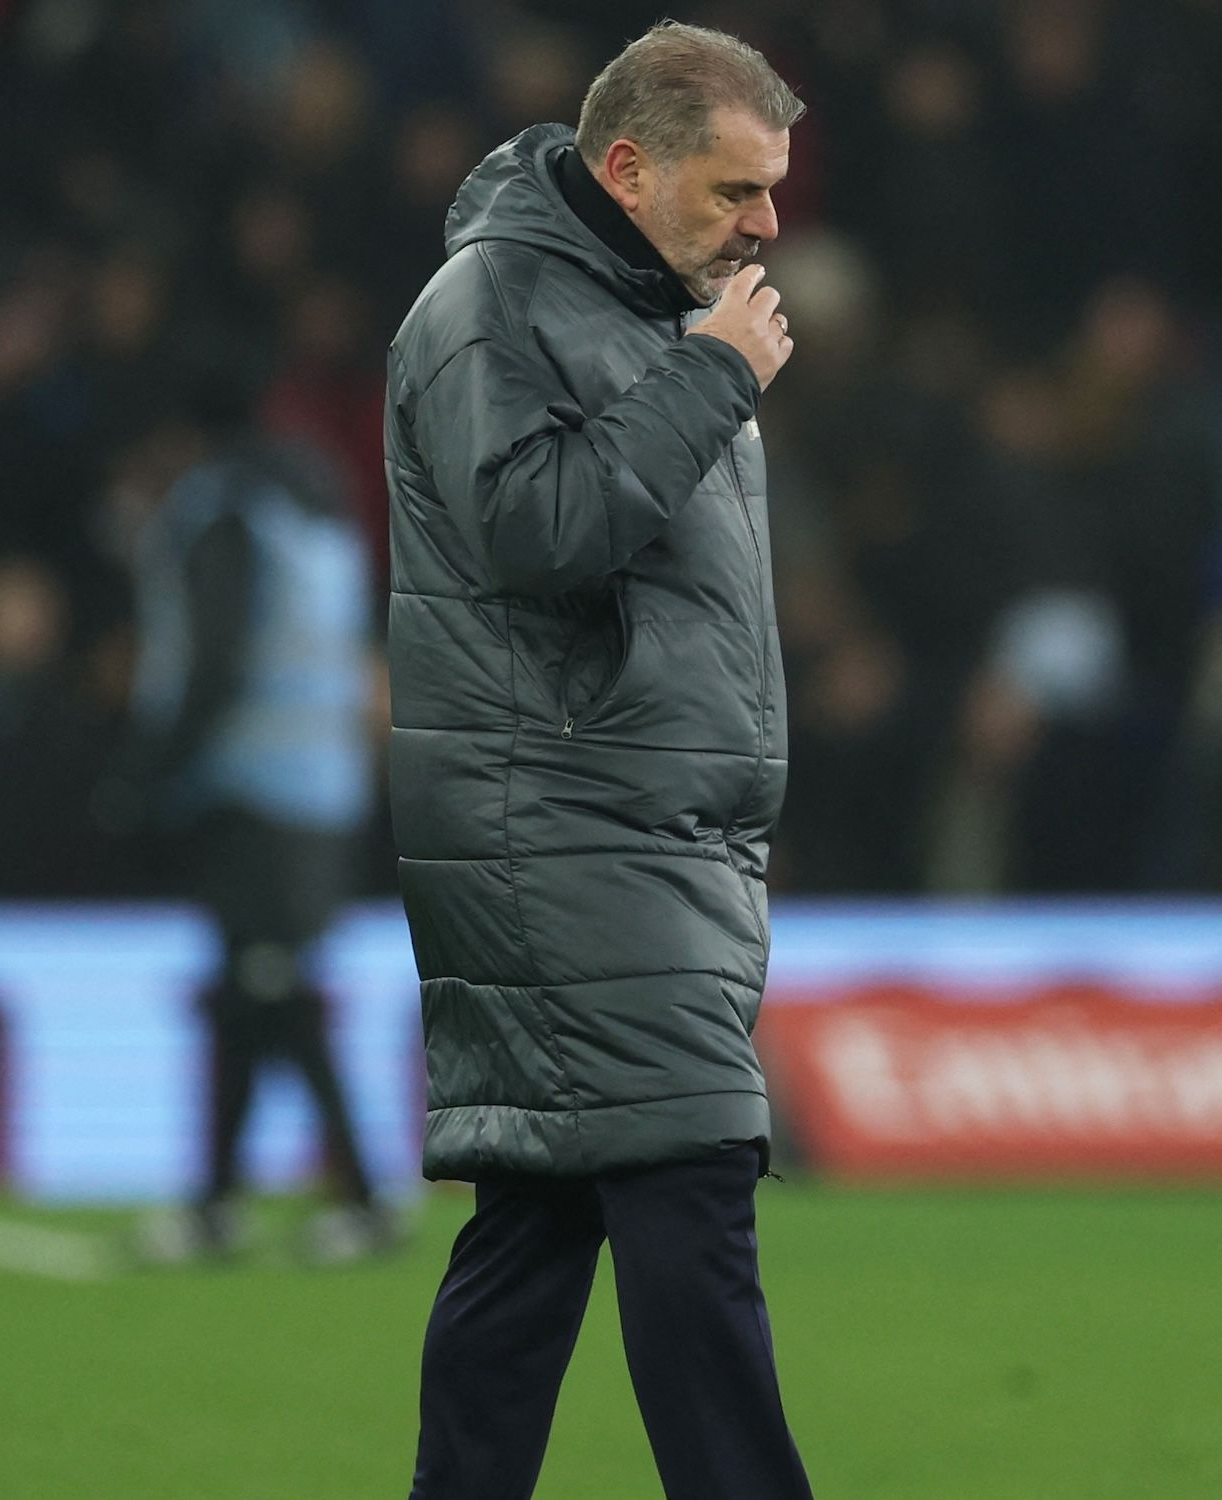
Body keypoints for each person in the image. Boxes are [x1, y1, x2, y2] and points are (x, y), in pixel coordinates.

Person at [383, 22, 810, 1500]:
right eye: (734, 191)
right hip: (568, 830)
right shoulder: (494, 304)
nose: (765, 225)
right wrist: (708, 383)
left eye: (770, 191)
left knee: (540, 1227)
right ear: (627, 168)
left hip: (644, 830)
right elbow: (539, 532)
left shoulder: (645, 312)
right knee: (691, 1192)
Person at [123, 378, 389, 1266]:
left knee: (273, 990)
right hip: (326, 781)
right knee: (249, 991)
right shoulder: (319, 509)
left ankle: (360, 1196)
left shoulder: (221, 511)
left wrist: (145, 776)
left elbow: (215, 659)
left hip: (248, 786)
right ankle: (215, 1204)